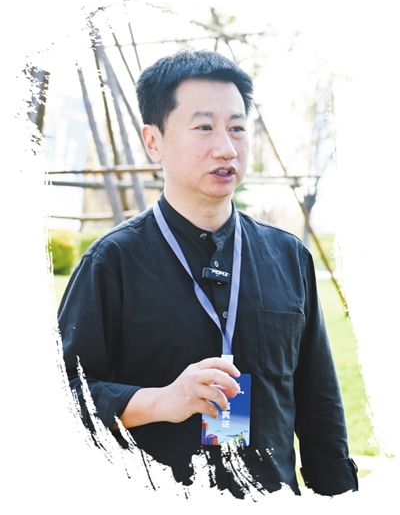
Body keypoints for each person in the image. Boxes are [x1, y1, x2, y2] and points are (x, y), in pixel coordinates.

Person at [59, 49, 358, 498]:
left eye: (237, 128)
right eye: (204, 128)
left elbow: (320, 403)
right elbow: (62, 396)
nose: (226, 147)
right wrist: (161, 401)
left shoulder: (288, 256)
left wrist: (337, 496)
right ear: (154, 141)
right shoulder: (112, 262)